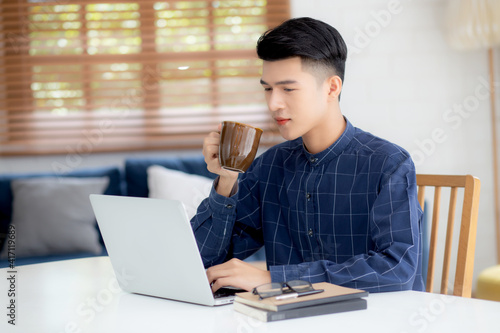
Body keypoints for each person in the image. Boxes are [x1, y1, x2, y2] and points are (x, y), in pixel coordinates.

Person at [191, 17, 425, 293]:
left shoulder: (388, 164)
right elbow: (202, 261)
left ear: (331, 88)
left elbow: (397, 270)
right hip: (289, 319)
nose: (273, 103)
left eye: (288, 89)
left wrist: (274, 279)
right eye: (267, 88)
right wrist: (226, 180)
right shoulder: (268, 166)